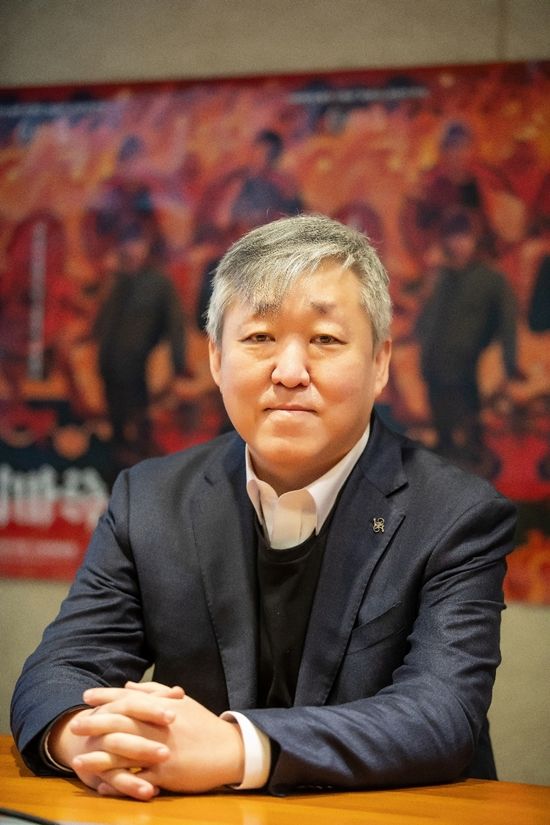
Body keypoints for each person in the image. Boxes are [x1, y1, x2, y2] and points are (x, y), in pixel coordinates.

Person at [11, 214, 516, 800]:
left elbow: (441, 715)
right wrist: (89, 740)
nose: (290, 373)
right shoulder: (148, 499)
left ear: (380, 363)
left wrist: (237, 749)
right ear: (215, 359)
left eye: (325, 340)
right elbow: (59, 673)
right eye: (258, 338)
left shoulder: (456, 515)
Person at [416, 210, 520, 475]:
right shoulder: (442, 278)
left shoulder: (491, 280)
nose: (458, 243)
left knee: (470, 438)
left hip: (469, 372)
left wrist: (509, 365)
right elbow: (427, 321)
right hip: (435, 367)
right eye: (452, 237)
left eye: (464, 236)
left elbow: (507, 325)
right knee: (443, 438)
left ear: (475, 239)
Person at [94, 223, 186, 468]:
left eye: (136, 243)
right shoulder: (119, 281)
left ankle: (141, 463)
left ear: (147, 246)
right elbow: (102, 323)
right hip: (110, 364)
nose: (131, 249)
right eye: (127, 243)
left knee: (140, 423)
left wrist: (178, 364)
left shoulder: (159, 283)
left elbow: (175, 325)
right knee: (116, 426)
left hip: (141, 368)